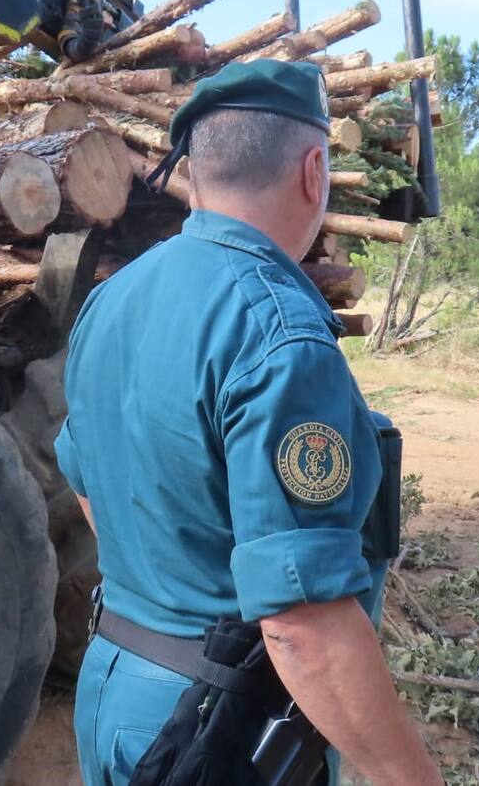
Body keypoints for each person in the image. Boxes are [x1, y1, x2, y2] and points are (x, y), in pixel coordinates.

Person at [56, 59, 442, 786]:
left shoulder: (112, 300)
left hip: (113, 688)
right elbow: (302, 625)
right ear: (314, 170)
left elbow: (87, 483)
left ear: (195, 177)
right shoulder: (280, 335)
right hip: (217, 730)